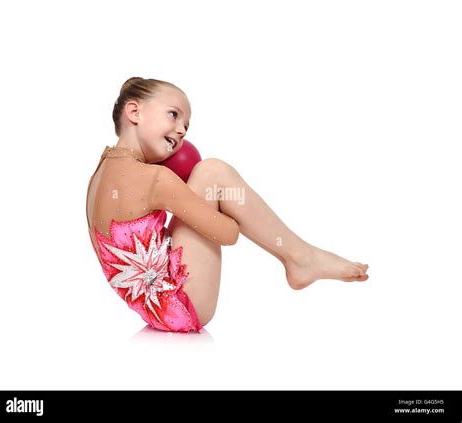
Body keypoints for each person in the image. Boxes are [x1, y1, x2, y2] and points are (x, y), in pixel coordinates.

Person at [86, 77, 369, 333]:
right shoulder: (155, 179)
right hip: (183, 304)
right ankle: (300, 258)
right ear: (134, 112)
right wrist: (218, 202)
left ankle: (301, 258)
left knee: (207, 175)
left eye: (186, 124)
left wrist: (185, 200)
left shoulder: (99, 173)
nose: (182, 130)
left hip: (151, 309)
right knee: (213, 172)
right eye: (173, 114)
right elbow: (228, 234)